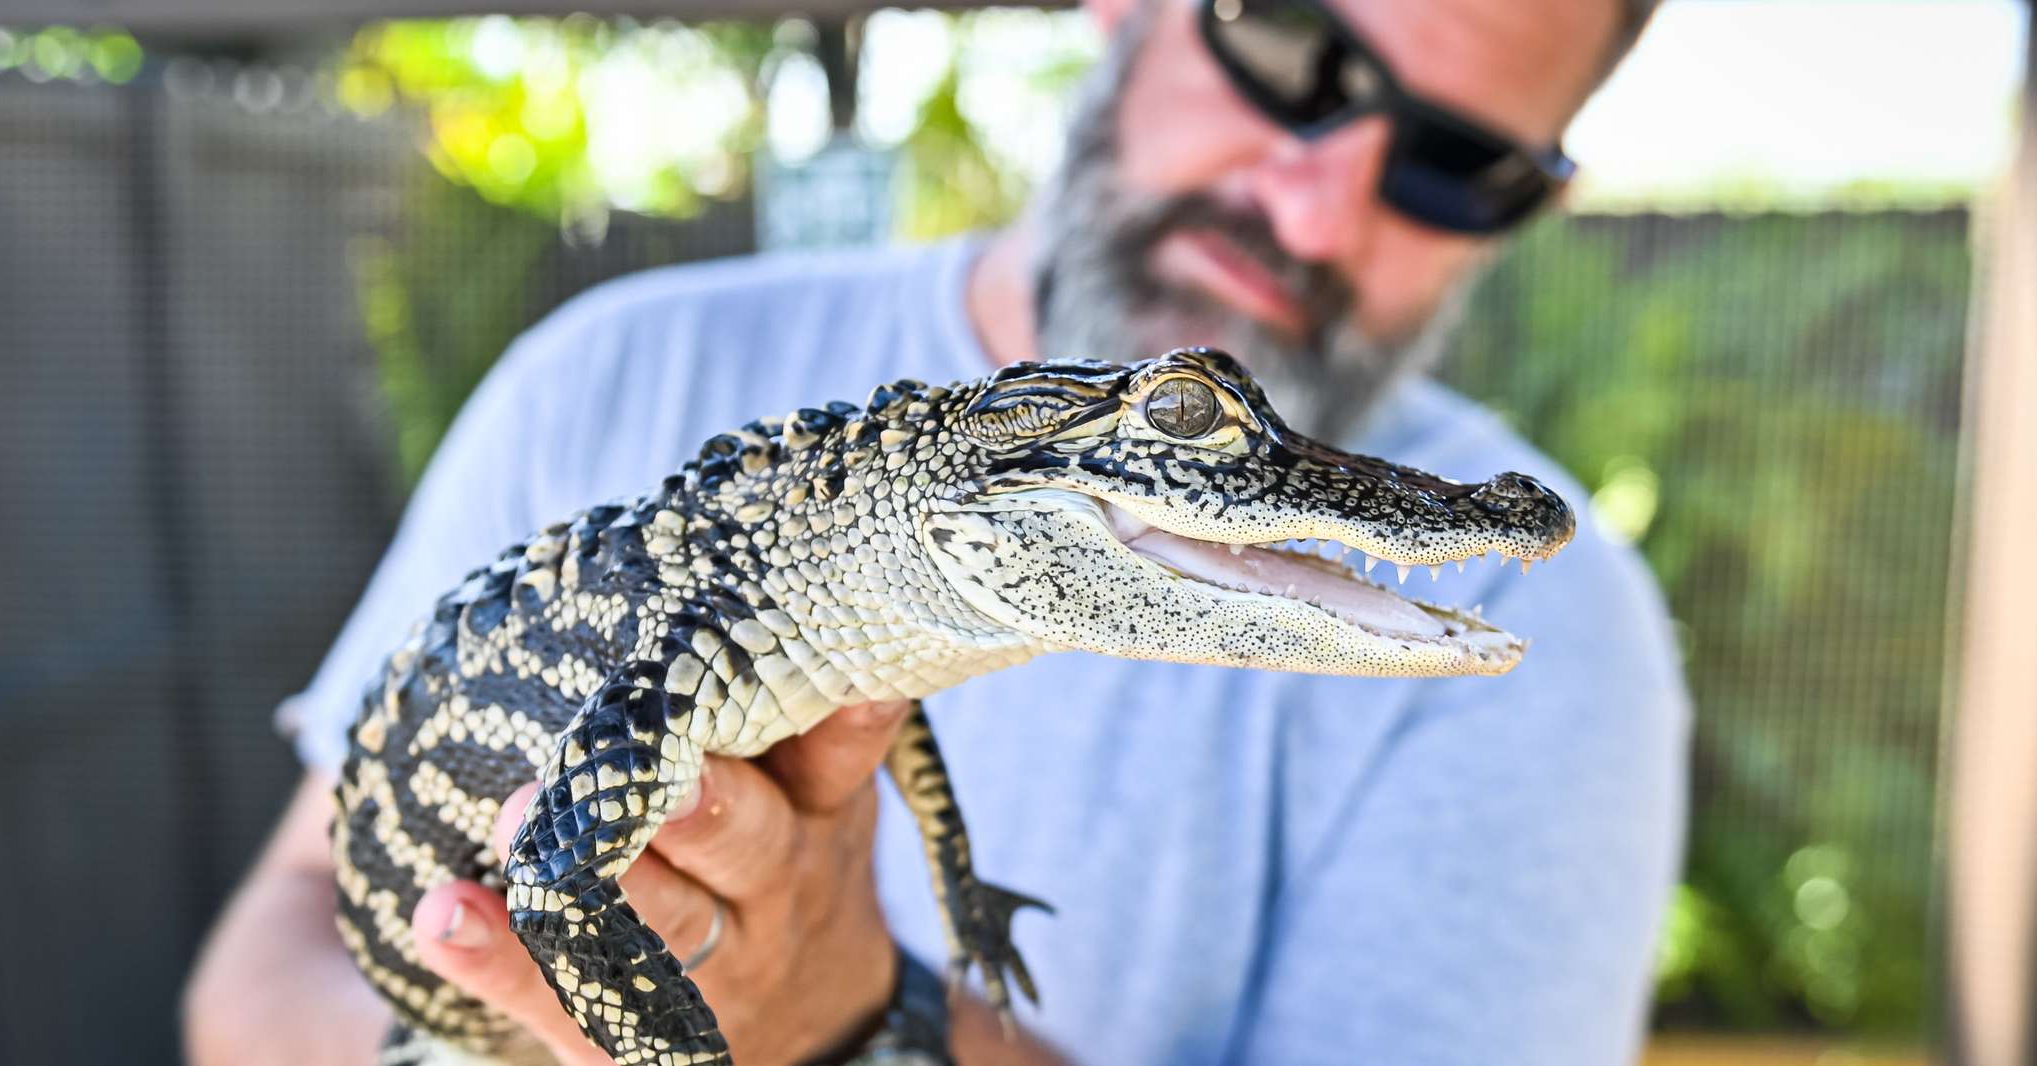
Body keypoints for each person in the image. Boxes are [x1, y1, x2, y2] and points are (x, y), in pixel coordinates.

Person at [185, 0, 1689, 1063]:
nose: (1312, 204)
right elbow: (275, 954)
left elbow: (883, 723)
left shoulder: (1555, 632)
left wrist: (850, 1017)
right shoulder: (604, 378)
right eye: (1290, 46)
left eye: (1458, 162)